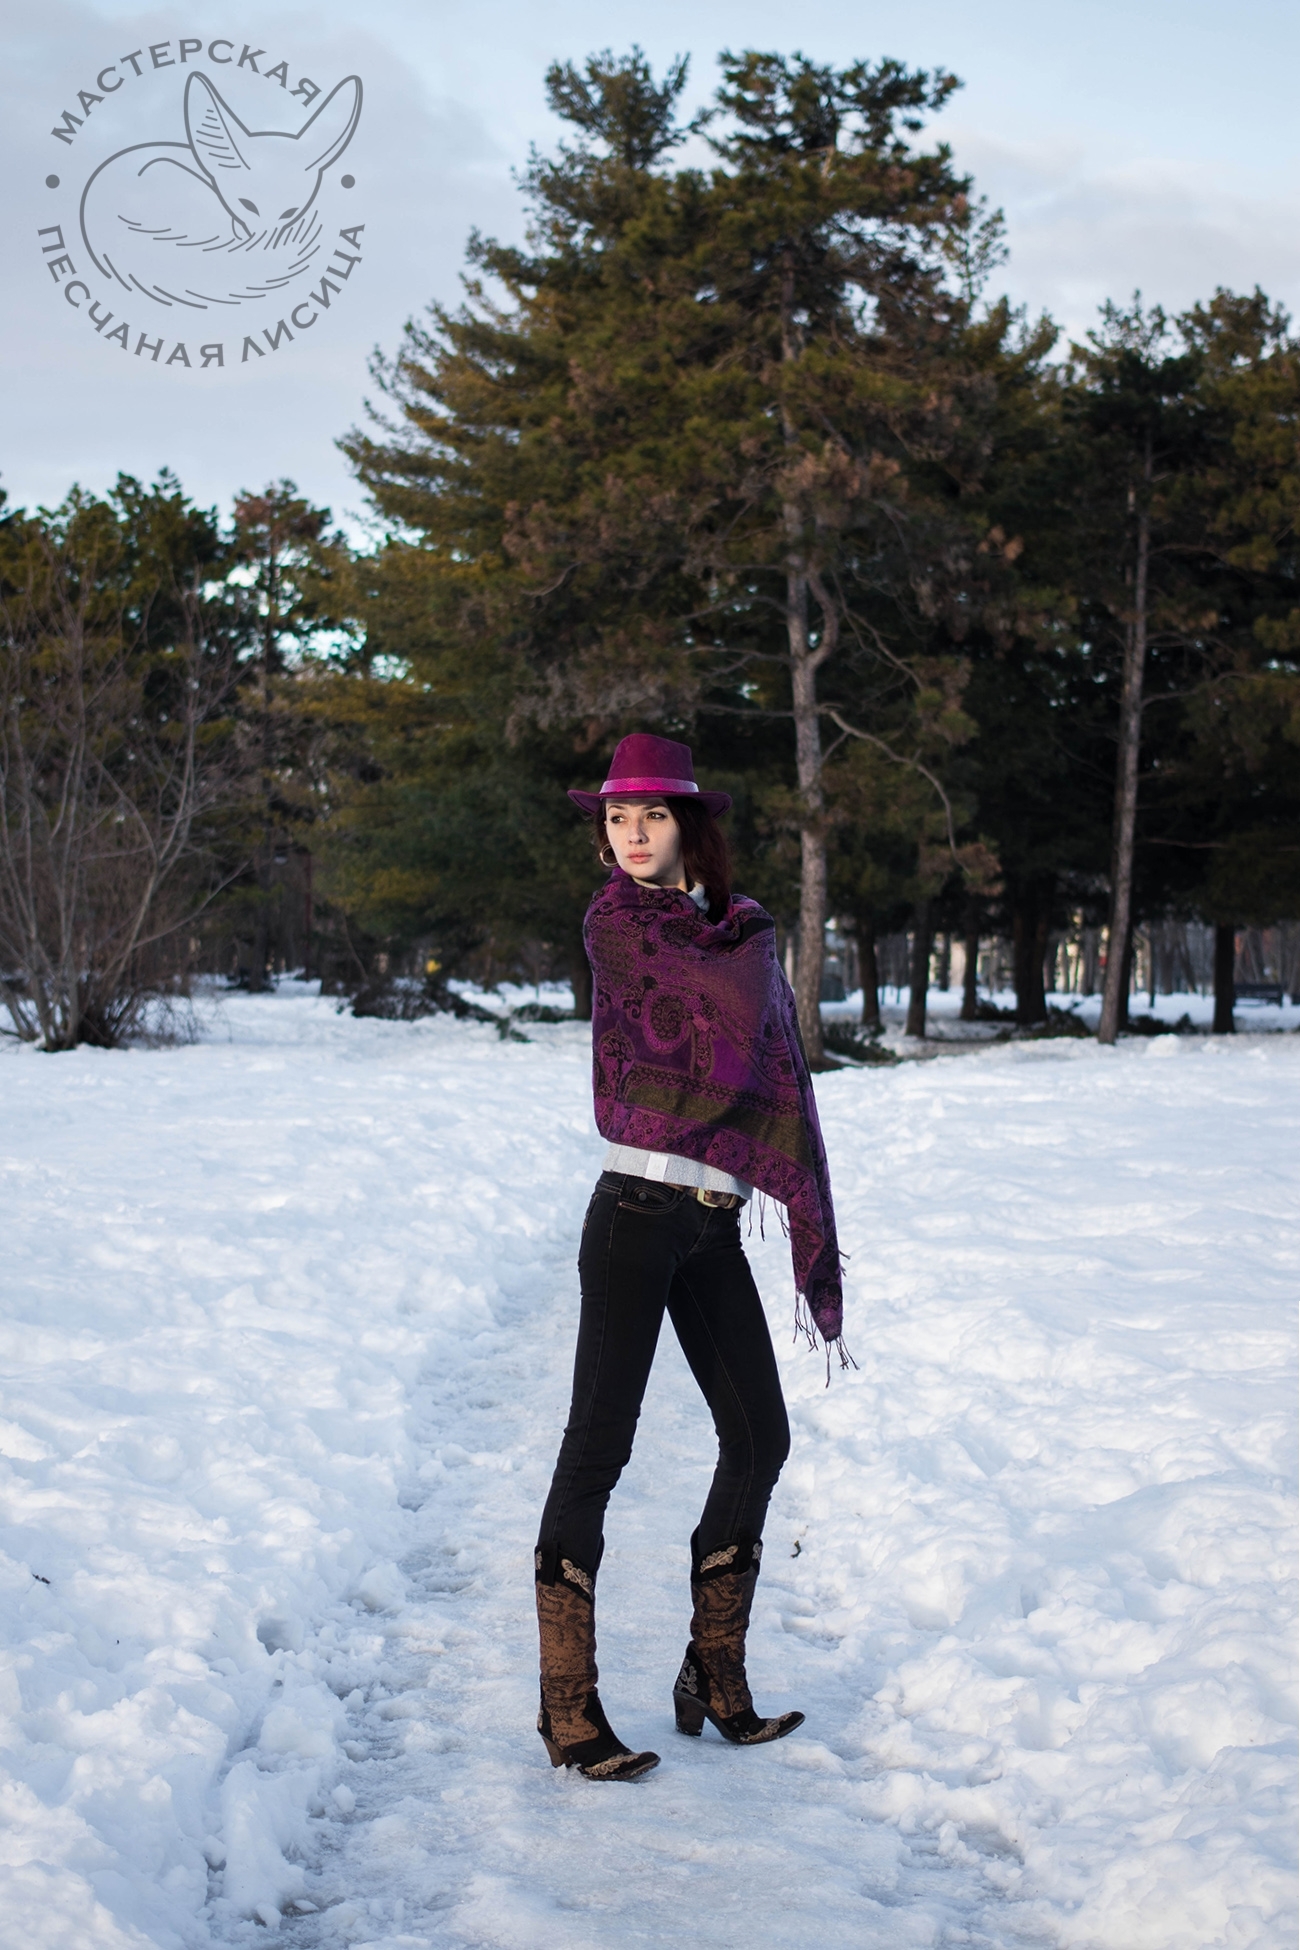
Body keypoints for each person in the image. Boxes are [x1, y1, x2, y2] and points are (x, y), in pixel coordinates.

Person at [534, 733, 845, 1782]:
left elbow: (764, 1051)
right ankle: (566, 1710)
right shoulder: (617, 926)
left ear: (688, 827)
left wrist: (745, 942)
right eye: (617, 818)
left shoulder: (736, 931)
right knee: (597, 1452)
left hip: (711, 1216)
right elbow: (704, 1030)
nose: (629, 834)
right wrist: (743, 954)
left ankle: (712, 1675)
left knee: (760, 1437)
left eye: (651, 816)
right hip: (632, 1210)